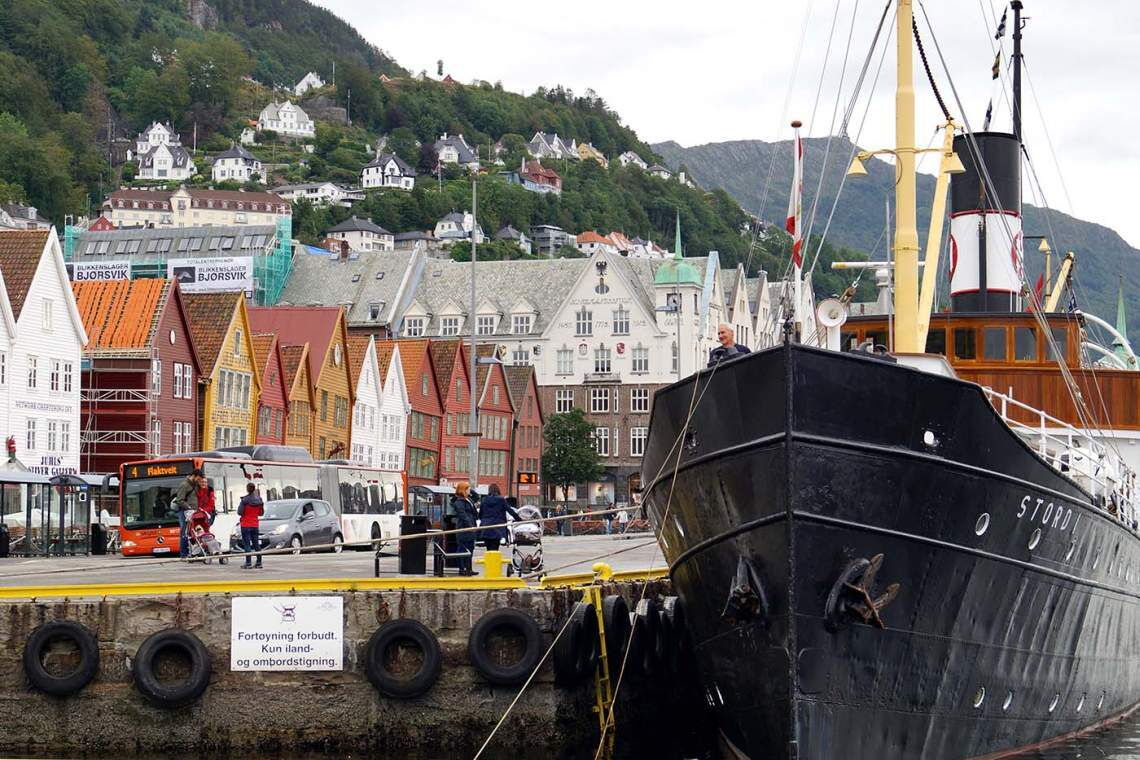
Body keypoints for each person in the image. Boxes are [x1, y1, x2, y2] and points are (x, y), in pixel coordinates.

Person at [478, 483, 521, 553]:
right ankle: (494, 562)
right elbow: (510, 511)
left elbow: (480, 515)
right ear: (498, 490)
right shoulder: (501, 500)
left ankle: (490, 562)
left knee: (488, 548)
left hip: (485, 528)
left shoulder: (484, 500)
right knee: (495, 548)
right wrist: (519, 519)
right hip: (497, 528)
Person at [171, 469, 203, 558]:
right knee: (185, 532)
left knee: (195, 532)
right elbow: (179, 500)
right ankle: (184, 554)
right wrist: (188, 507)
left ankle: (195, 552)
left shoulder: (195, 485)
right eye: (199, 478)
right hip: (184, 512)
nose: (199, 480)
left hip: (194, 512)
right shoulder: (184, 485)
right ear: (194, 476)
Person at [450, 481, 478, 576]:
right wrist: (470, 526)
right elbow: (463, 515)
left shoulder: (468, 499)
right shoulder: (459, 502)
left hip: (471, 528)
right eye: (468, 488)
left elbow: (477, 496)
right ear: (463, 490)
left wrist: (470, 490)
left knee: (470, 548)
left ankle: (469, 568)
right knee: (463, 549)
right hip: (464, 528)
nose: (470, 489)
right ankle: (462, 569)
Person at [237, 483, 265, 569]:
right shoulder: (259, 500)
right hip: (255, 524)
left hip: (245, 524)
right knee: (256, 544)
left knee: (247, 544)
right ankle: (259, 562)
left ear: (247, 489)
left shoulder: (244, 500)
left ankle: (248, 563)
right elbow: (261, 513)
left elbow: (240, 512)